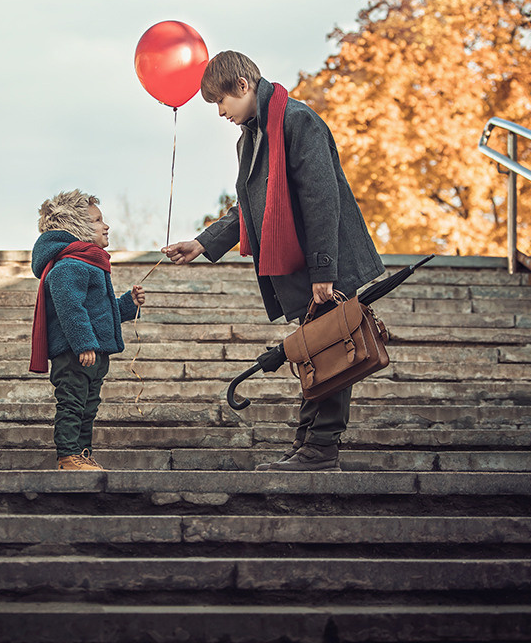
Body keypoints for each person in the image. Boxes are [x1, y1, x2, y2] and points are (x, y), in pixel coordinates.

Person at [162, 51, 384, 472]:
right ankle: (307, 444)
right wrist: (203, 243)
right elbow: (249, 208)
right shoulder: (251, 137)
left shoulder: (297, 121)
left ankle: (321, 450)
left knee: (333, 353)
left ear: (243, 85)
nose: (220, 112)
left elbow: (321, 200)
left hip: (325, 263)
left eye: (221, 101)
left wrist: (324, 270)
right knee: (317, 353)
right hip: (303, 267)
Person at [29, 190, 145, 471]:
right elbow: (70, 307)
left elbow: (100, 312)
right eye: (97, 221)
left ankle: (82, 454)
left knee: (88, 406)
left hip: (92, 353)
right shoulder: (70, 265)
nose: (106, 226)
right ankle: (68, 455)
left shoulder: (90, 263)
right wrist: (83, 343)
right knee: (72, 403)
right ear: (77, 227)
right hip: (75, 354)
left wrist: (128, 304)